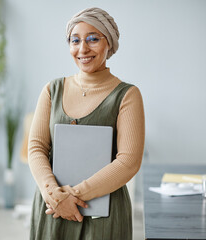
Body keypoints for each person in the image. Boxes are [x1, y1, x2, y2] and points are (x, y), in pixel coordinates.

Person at [28, 7, 145, 240]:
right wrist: (54, 195)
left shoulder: (127, 95)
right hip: (52, 208)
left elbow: (128, 161)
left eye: (93, 39)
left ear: (108, 43)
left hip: (104, 213)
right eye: (75, 40)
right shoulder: (52, 90)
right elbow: (36, 147)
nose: (83, 49)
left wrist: (73, 196)